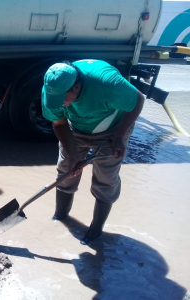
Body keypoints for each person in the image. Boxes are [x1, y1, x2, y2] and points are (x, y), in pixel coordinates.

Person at [42, 59, 145, 245]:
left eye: (62, 99)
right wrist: (73, 155)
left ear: (76, 87)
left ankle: (96, 228)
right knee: (66, 169)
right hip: (76, 128)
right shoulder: (52, 89)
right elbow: (59, 123)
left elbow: (138, 100)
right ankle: (61, 215)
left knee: (105, 179)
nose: (59, 103)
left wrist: (120, 137)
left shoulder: (107, 83)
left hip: (113, 129)